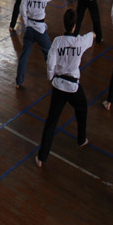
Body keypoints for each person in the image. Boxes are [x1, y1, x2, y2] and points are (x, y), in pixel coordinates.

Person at [35, 9, 93, 167]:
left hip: (59, 86)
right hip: (73, 86)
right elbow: (90, 37)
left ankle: (42, 157)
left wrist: (51, 76)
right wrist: (93, 35)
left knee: (51, 121)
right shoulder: (80, 41)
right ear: (74, 26)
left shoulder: (57, 42)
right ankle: (81, 139)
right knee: (82, 108)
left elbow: (50, 63)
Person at [15, 0, 55, 87]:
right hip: (40, 30)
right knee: (49, 52)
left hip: (29, 29)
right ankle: (52, 75)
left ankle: (19, 81)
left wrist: (27, 22)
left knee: (24, 56)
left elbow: (22, 10)